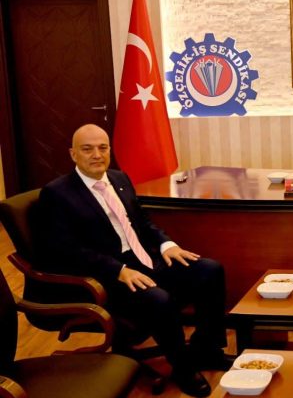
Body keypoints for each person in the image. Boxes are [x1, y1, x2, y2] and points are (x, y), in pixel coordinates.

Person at [39, 124, 232, 397]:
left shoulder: (118, 178)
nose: (97, 155)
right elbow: (65, 250)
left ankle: (207, 350)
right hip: (105, 275)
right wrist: (118, 270)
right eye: (87, 149)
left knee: (209, 270)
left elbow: (142, 221)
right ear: (73, 154)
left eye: (103, 148)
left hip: (144, 257)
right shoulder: (57, 194)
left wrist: (166, 244)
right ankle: (183, 368)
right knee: (159, 299)